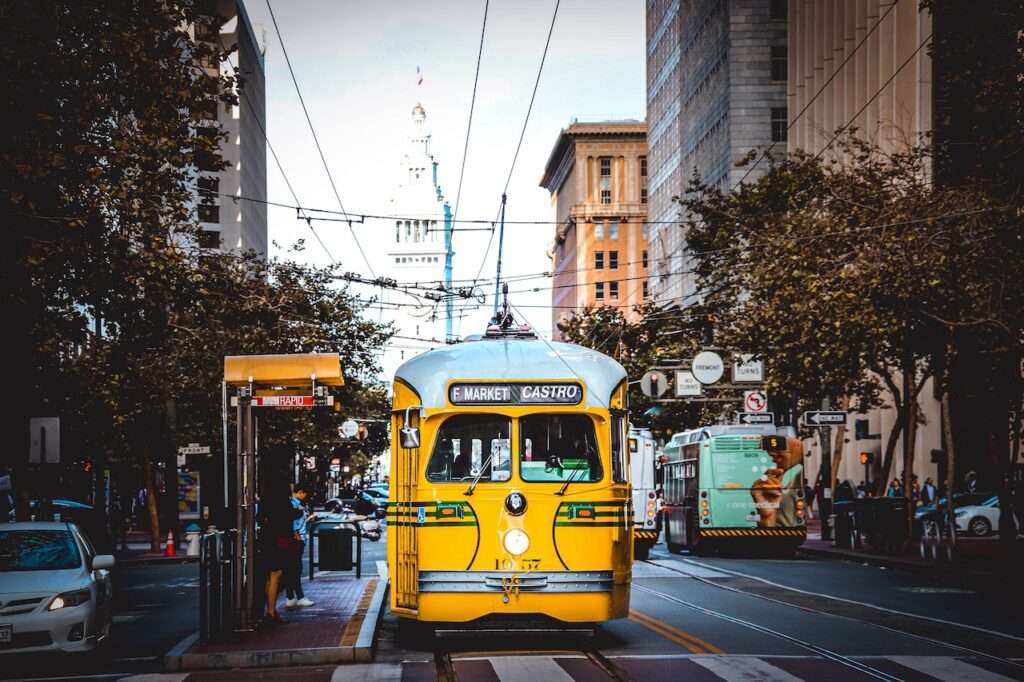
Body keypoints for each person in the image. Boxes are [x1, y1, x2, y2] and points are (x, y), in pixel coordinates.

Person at [259, 477, 302, 625]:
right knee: (276, 574)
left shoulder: (265, 500)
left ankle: (271, 610)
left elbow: (260, 518)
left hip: (267, 539)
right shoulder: (283, 501)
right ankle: (271, 612)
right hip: (281, 540)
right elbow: (290, 515)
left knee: (270, 575)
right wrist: (299, 511)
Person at [284, 485, 315, 609]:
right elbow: (293, 522)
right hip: (296, 539)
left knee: (292, 569)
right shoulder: (294, 504)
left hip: (297, 538)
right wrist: (296, 534)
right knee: (295, 569)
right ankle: (297, 597)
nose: (305, 497)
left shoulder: (294, 503)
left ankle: (291, 597)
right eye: (305, 494)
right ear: (301, 492)